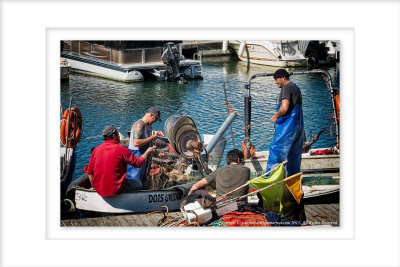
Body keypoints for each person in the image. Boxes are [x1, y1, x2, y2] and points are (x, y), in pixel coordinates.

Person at [266, 68, 306, 221]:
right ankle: (294, 190)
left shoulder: (286, 87)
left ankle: (269, 184)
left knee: (276, 151)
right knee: (294, 161)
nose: (276, 82)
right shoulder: (296, 88)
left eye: (276, 79)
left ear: (283, 78)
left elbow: (284, 107)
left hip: (287, 127)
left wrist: (275, 116)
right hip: (297, 127)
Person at [85, 125, 155, 197]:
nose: (119, 135)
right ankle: (127, 201)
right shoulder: (121, 150)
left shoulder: (96, 149)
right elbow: (138, 163)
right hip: (116, 189)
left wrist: (93, 187)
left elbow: (90, 172)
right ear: (114, 135)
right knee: (138, 184)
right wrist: (147, 152)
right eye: (118, 134)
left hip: (99, 190)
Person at [127, 107, 168, 189]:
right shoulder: (139, 125)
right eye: (155, 118)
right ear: (151, 115)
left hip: (145, 159)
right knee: (134, 183)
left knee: (143, 183)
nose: (155, 121)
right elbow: (136, 143)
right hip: (136, 158)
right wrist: (151, 138)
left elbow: (148, 145)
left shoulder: (149, 126)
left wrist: (159, 154)